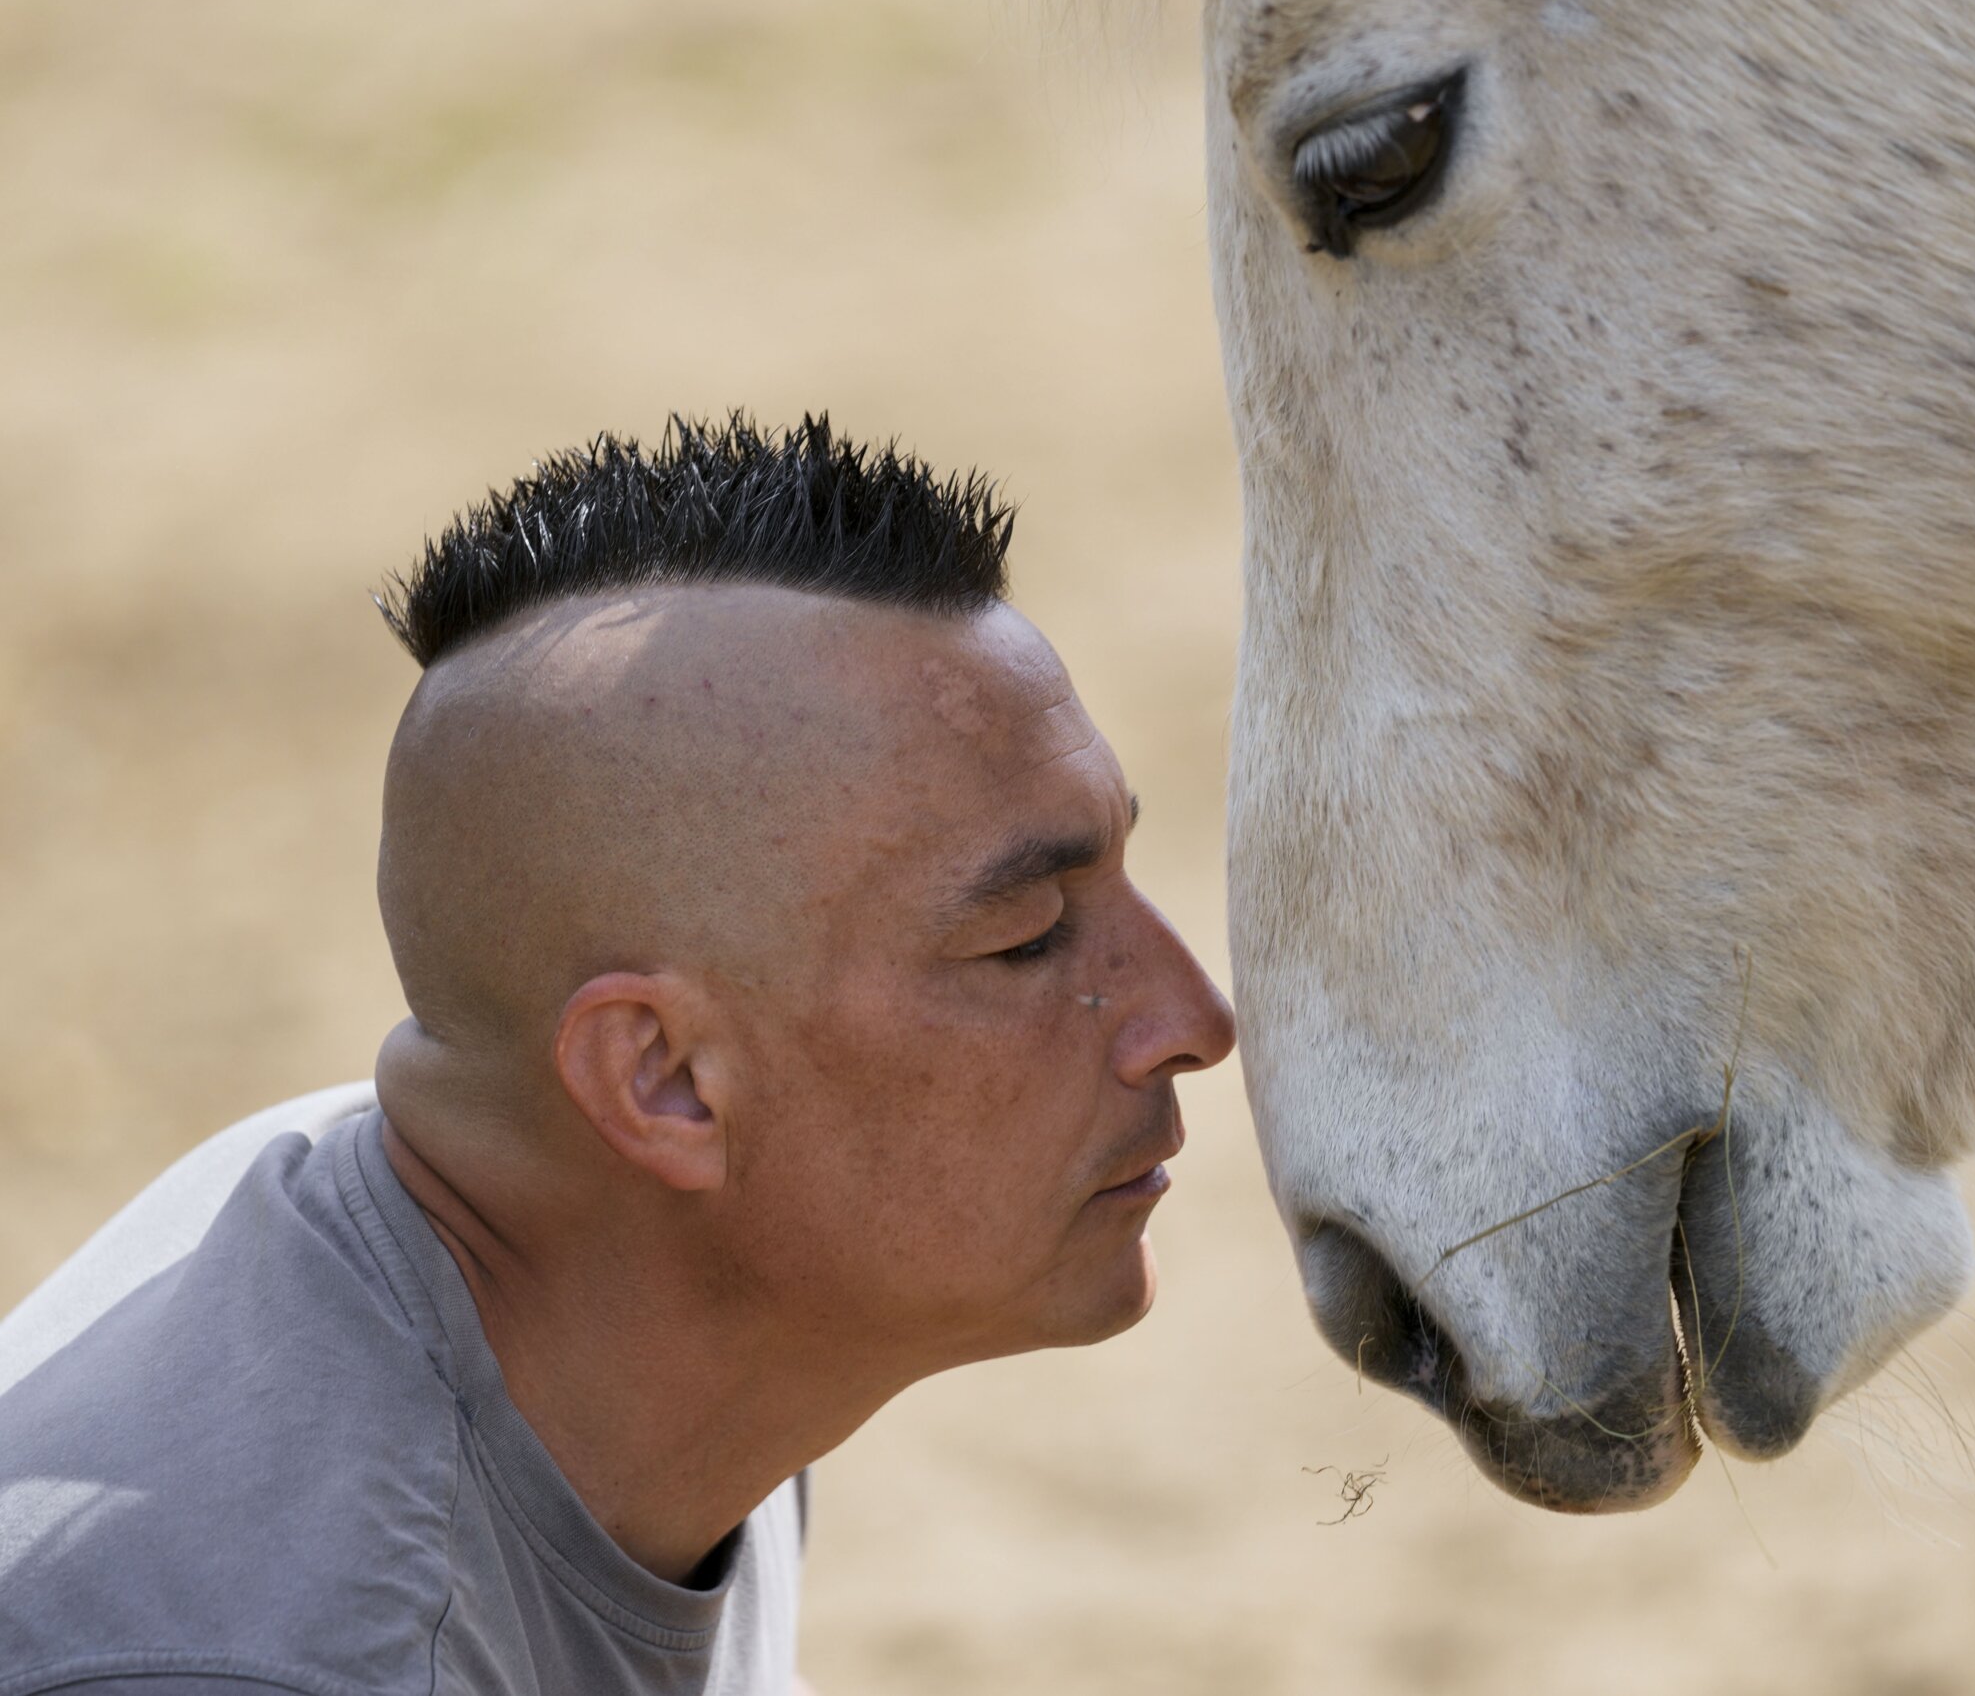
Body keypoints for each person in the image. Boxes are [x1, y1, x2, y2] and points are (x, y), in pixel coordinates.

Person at [0, 415, 1238, 1694]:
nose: (1193, 1017)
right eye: (1027, 937)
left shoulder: (636, 1300)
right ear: (661, 1080)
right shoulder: (287, 1651)